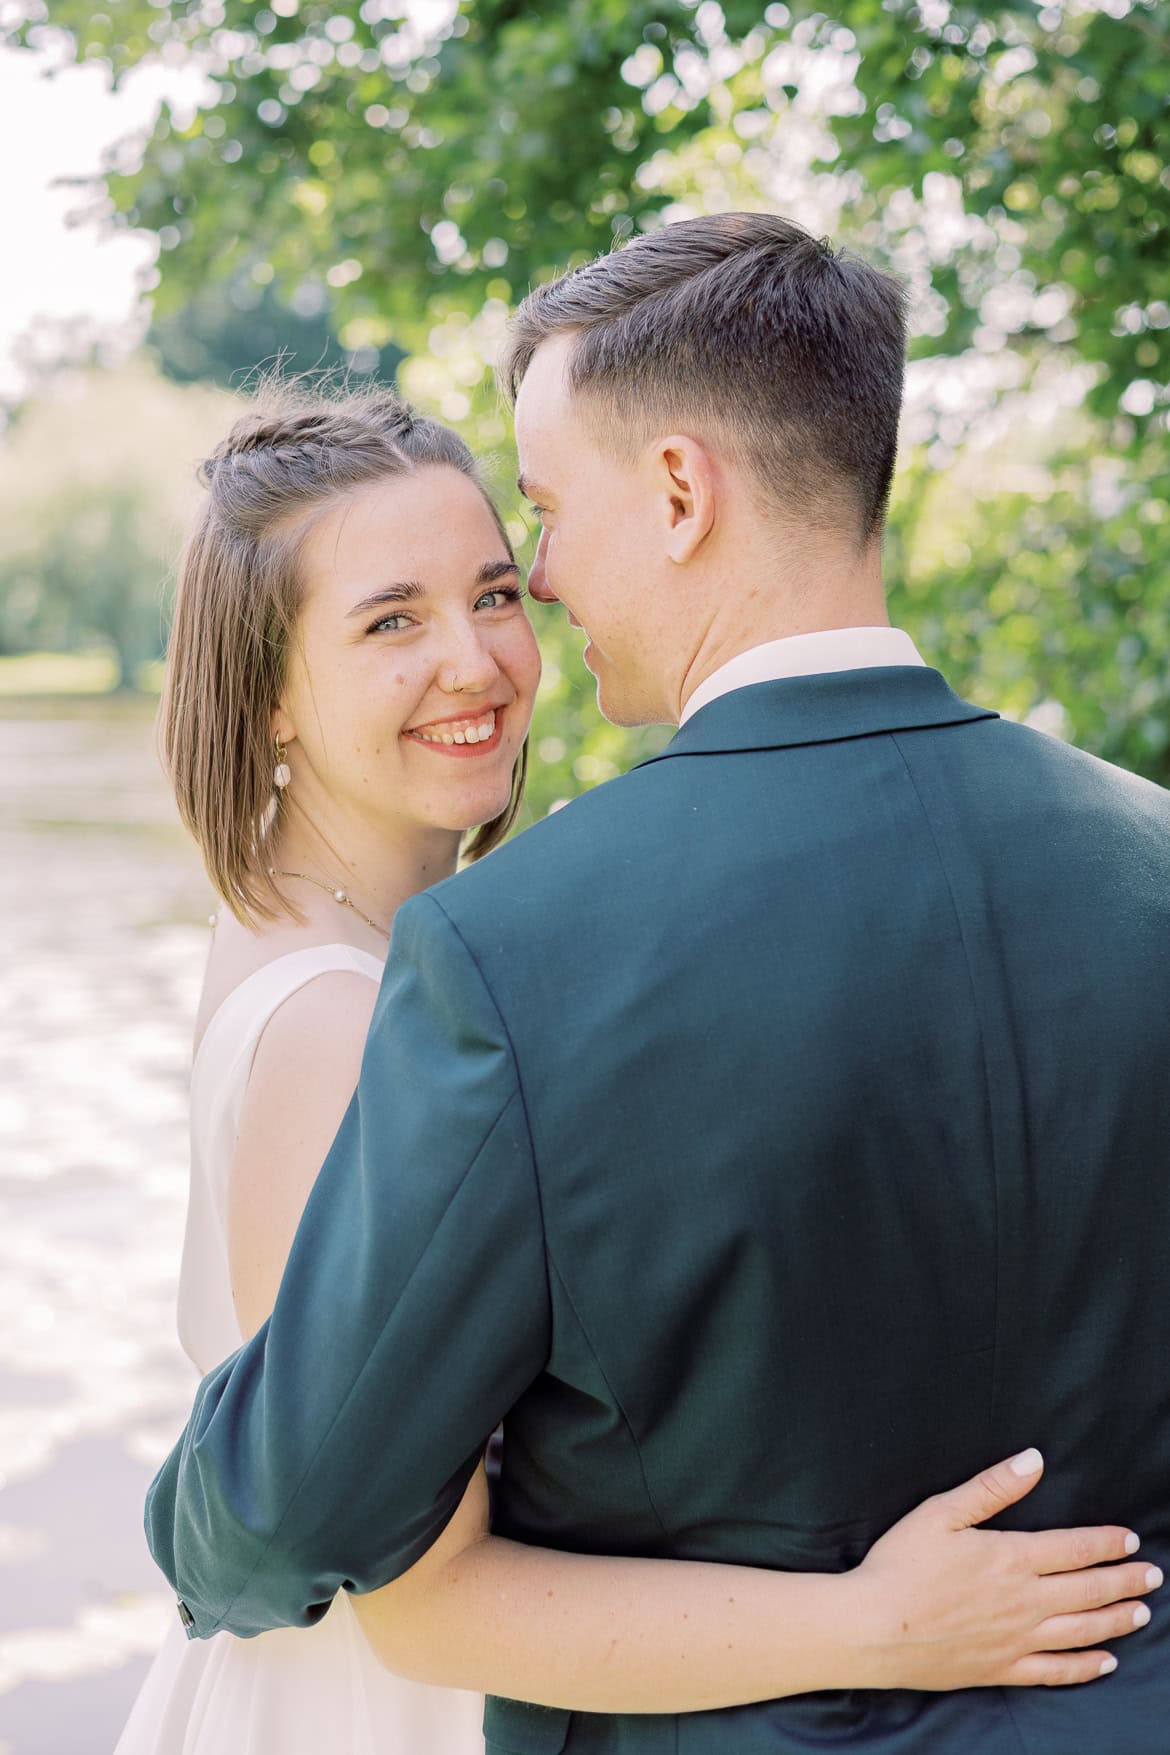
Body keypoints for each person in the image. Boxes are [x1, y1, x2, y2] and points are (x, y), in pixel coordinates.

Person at [145, 211, 1170, 1754]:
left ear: (680, 489)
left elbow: (296, 1507)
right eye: (395, 618)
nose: (536, 593)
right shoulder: (1149, 854)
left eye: (533, 530)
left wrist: (185, 1532)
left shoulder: (518, 954)